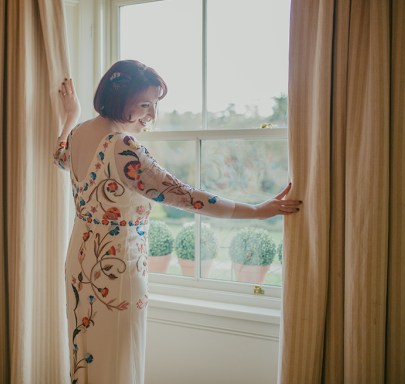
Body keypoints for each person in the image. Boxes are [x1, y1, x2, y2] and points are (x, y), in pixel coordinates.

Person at [53, 60, 302, 384]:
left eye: (155, 104)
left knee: (86, 354)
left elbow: (59, 155)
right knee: (118, 357)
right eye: (145, 104)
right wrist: (256, 210)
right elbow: (185, 195)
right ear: (118, 98)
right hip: (117, 267)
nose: (152, 115)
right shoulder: (124, 147)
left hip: (80, 261)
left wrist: (70, 115)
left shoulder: (80, 134)